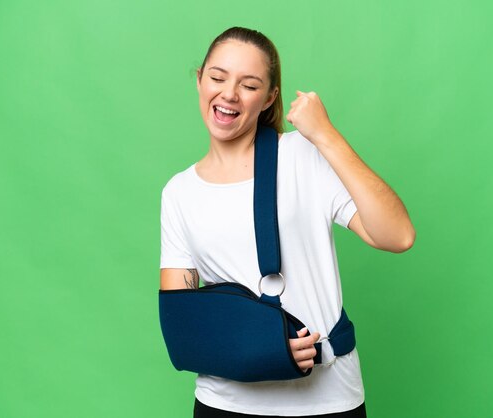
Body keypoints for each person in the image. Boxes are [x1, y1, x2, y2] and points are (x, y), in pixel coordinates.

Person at [160, 26, 415, 418]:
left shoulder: (303, 156)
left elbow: (397, 235)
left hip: (329, 401)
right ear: (199, 81)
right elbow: (185, 328)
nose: (228, 93)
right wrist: (267, 346)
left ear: (270, 98)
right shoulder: (179, 192)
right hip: (225, 405)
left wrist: (326, 135)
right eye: (217, 77)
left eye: (249, 85)